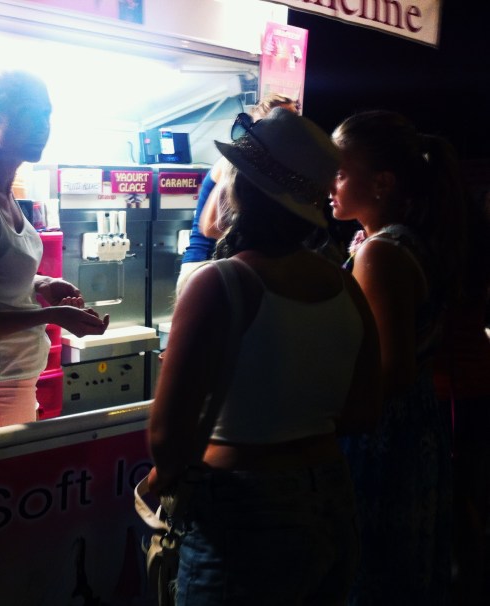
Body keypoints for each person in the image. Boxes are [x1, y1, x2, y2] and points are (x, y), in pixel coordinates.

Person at [147, 107, 381, 605]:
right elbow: (363, 410)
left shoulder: (219, 282)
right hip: (331, 494)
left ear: (243, 190)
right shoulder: (345, 286)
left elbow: (166, 434)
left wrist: (158, 480)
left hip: (241, 508)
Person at [0, 68, 109, 434]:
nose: (42, 126)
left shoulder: (2, 190)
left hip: (9, 382)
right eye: (28, 113)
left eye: (47, 114)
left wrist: (40, 284)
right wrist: (50, 315)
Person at [331, 110, 462, 605]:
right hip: (415, 426)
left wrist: (328, 414)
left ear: (382, 183)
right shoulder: (394, 240)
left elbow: (391, 369)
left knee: (373, 574)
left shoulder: (381, 252)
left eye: (340, 172)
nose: (329, 184)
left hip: (382, 436)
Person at [175, 93, 297, 296]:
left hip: (231, 268)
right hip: (204, 265)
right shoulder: (236, 161)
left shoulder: (267, 166)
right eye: (285, 120)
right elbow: (213, 228)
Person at [431, 187, 490, 606]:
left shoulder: (438, 261)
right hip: (476, 383)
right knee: (471, 496)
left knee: (455, 499)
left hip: (449, 390)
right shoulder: (475, 254)